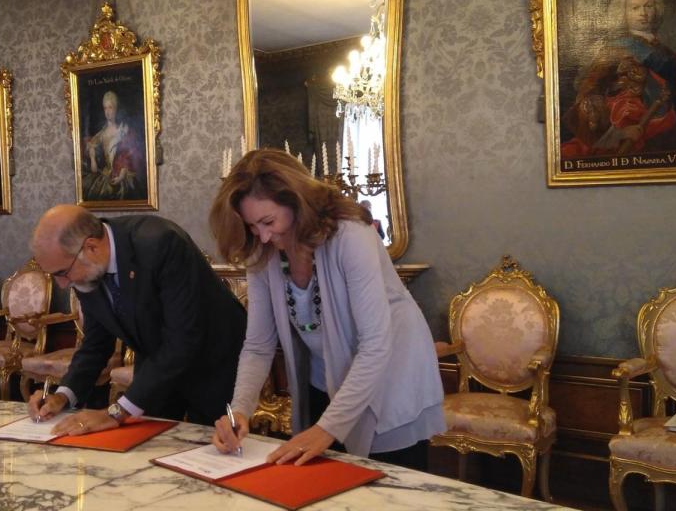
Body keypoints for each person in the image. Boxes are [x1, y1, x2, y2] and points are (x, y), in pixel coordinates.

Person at [208, 149, 443, 470]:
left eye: (268, 221)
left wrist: (327, 429)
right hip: (327, 377)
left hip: (392, 374)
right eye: (252, 226)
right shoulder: (262, 253)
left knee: (389, 488)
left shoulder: (351, 236)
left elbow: (376, 344)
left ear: (296, 203)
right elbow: (258, 345)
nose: (262, 235)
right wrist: (239, 412)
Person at [26, 205, 246, 434]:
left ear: (90, 247)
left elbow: (183, 339)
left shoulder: (160, 242)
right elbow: (96, 342)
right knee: (149, 443)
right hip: (155, 366)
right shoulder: (83, 269)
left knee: (209, 449)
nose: (63, 284)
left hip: (213, 361)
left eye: (62, 273)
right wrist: (63, 395)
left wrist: (115, 412)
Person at [562, 0, 676, 158]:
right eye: (635, 8)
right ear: (623, 13)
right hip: (630, 127)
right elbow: (588, 93)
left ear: (656, 9)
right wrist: (617, 133)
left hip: (668, 127)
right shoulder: (613, 50)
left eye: (648, 6)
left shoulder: (665, 52)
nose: (643, 13)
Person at [83, 91, 146, 201]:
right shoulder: (102, 133)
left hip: (122, 174)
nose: (107, 112)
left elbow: (129, 156)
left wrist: (122, 174)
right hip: (106, 174)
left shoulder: (123, 131)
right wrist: (93, 159)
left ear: (116, 109)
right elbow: (90, 144)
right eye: (105, 108)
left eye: (110, 108)